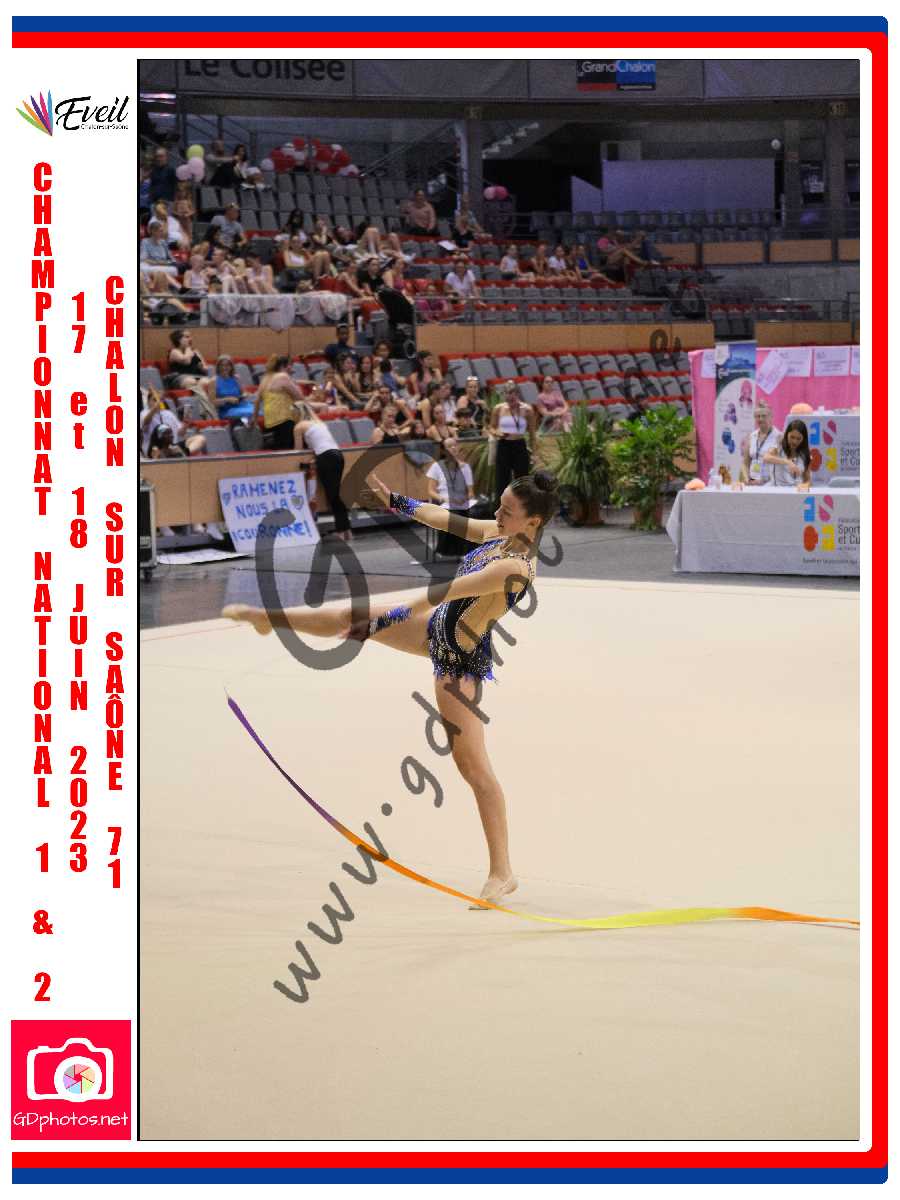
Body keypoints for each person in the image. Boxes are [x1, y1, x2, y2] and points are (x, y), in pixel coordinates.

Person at [223, 470, 561, 904]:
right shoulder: (499, 534)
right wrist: (395, 501)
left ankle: (503, 872)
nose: (496, 514)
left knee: (474, 769)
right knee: (352, 616)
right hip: (436, 629)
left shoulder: (515, 568)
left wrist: (392, 617)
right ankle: (268, 619)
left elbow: (446, 591)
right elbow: (444, 519)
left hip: (458, 662)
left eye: (507, 511)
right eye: (499, 505)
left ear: (533, 522)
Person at [292, 401, 352, 540]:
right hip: (337, 454)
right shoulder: (318, 422)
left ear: (296, 414)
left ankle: (342, 530)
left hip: (326, 457)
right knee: (335, 494)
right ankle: (346, 529)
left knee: (333, 495)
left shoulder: (299, 426)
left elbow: (297, 450)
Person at [426, 435, 476, 557]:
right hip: (445, 501)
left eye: (455, 445)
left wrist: (466, 498)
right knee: (454, 514)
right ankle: (452, 550)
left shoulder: (465, 467)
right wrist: (443, 498)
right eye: (449, 446)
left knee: (475, 514)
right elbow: (431, 491)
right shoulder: (437, 466)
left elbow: (471, 492)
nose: (453, 448)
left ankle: (467, 551)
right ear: (444, 450)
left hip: (462, 501)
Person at [490, 384, 536, 505]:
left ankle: (524, 506)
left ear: (517, 394)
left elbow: (532, 433)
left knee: (522, 479)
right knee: (502, 479)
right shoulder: (498, 408)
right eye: (507, 394)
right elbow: (492, 428)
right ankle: (500, 507)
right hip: (504, 445)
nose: (509, 397)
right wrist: (497, 433)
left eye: (512, 393)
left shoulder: (527, 409)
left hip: (519, 445)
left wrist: (535, 454)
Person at [253, 355, 306, 450]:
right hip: (284, 418)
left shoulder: (265, 378)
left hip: (269, 420)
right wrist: (293, 381)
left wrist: (255, 419)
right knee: (287, 450)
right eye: (289, 365)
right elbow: (300, 397)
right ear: (282, 366)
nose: (291, 367)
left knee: (280, 447)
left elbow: (256, 401)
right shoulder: (283, 376)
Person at [740, 401, 782, 486]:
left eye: (764, 416)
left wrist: (764, 481)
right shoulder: (752, 436)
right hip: (752, 483)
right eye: (757, 416)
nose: (760, 419)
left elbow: (782, 465)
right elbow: (745, 463)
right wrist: (747, 479)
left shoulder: (779, 437)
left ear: (771, 417)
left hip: (771, 484)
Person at [763, 420, 812, 488]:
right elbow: (766, 458)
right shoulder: (779, 445)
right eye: (792, 437)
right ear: (787, 434)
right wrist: (788, 462)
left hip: (795, 491)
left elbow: (807, 480)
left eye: (799, 438)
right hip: (776, 490)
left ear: (804, 438)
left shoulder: (805, 453)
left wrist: (806, 485)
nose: (795, 441)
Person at [205, 355, 255, 422]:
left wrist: (244, 396)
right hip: (226, 410)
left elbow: (244, 392)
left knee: (258, 410)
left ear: (231, 367)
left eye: (227, 365)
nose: (224, 368)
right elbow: (211, 402)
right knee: (250, 413)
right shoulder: (213, 381)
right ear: (218, 367)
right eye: (222, 365)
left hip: (241, 405)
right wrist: (227, 399)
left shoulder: (236, 378)